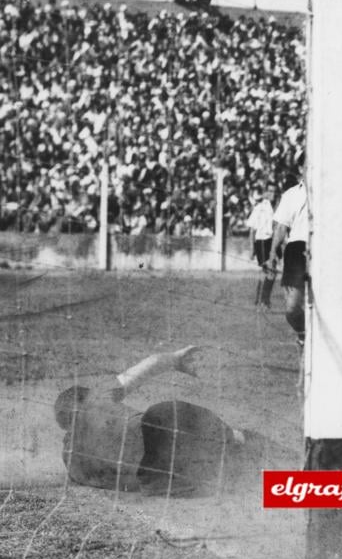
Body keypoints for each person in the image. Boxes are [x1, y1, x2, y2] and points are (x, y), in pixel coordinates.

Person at [53, 346, 272, 496]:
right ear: (83, 397)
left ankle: (293, 485)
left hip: (155, 481)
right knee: (237, 444)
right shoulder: (94, 398)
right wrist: (177, 359)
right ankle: (281, 459)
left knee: (235, 477)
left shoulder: (72, 462)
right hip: (162, 434)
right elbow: (147, 367)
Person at [267, 175, 308, 348]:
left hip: (323, 248)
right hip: (296, 249)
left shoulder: (329, 191)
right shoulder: (291, 194)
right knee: (291, 309)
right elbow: (281, 227)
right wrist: (271, 256)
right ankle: (304, 334)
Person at [246, 185, 277, 309]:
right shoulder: (260, 207)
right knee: (268, 271)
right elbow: (252, 229)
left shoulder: (275, 206)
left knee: (271, 271)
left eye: (274, 191)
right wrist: (251, 248)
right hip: (262, 241)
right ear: (265, 193)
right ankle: (262, 300)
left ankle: (262, 300)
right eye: (269, 191)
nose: (272, 193)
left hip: (271, 241)